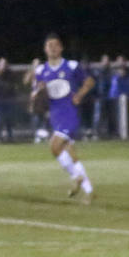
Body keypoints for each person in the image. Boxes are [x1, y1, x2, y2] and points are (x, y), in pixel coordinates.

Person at [31, 33, 96, 201]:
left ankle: (77, 177)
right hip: (55, 114)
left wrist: (80, 95)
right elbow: (38, 93)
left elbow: (90, 81)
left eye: (55, 45)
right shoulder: (40, 71)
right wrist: (38, 93)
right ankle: (89, 190)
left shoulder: (72, 66)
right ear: (45, 49)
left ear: (61, 48)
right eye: (49, 45)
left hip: (69, 112)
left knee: (54, 146)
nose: (52, 48)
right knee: (70, 152)